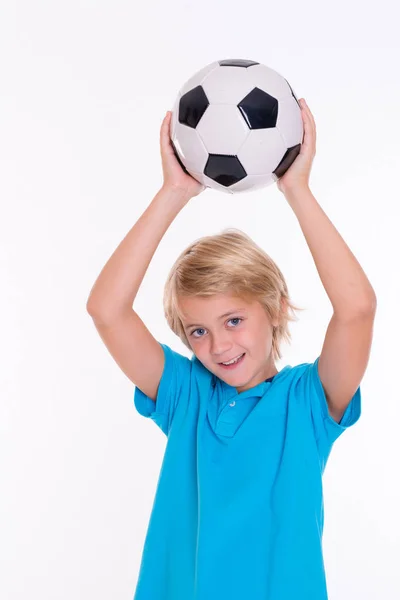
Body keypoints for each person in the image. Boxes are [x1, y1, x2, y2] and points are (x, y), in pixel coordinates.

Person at [86, 98, 377, 600]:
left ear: (278, 308)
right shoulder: (186, 395)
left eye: (234, 320)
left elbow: (356, 310)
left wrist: (298, 189)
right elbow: (107, 310)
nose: (218, 345)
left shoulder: (306, 404)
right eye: (197, 331)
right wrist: (174, 192)